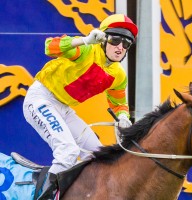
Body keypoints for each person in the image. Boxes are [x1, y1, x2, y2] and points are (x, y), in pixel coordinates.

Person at [23, 14, 138, 199]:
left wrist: (123, 117)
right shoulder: (86, 50)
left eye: (126, 44)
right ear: (103, 39)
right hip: (40, 98)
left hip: (64, 108)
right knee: (68, 150)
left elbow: (118, 104)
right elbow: (49, 46)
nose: (120, 47)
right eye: (116, 40)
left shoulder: (118, 74)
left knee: (97, 156)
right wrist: (83, 41)